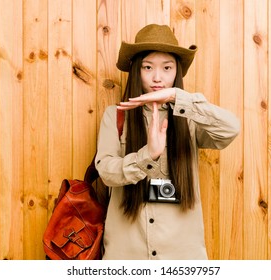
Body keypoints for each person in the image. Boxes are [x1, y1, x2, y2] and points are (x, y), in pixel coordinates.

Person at [95, 24, 240, 260]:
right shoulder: (116, 115)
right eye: (148, 67)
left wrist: (177, 97)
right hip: (127, 255)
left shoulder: (189, 117)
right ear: (135, 70)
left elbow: (230, 129)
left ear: (177, 72)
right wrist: (147, 156)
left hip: (181, 257)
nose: (157, 77)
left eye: (167, 68)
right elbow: (106, 172)